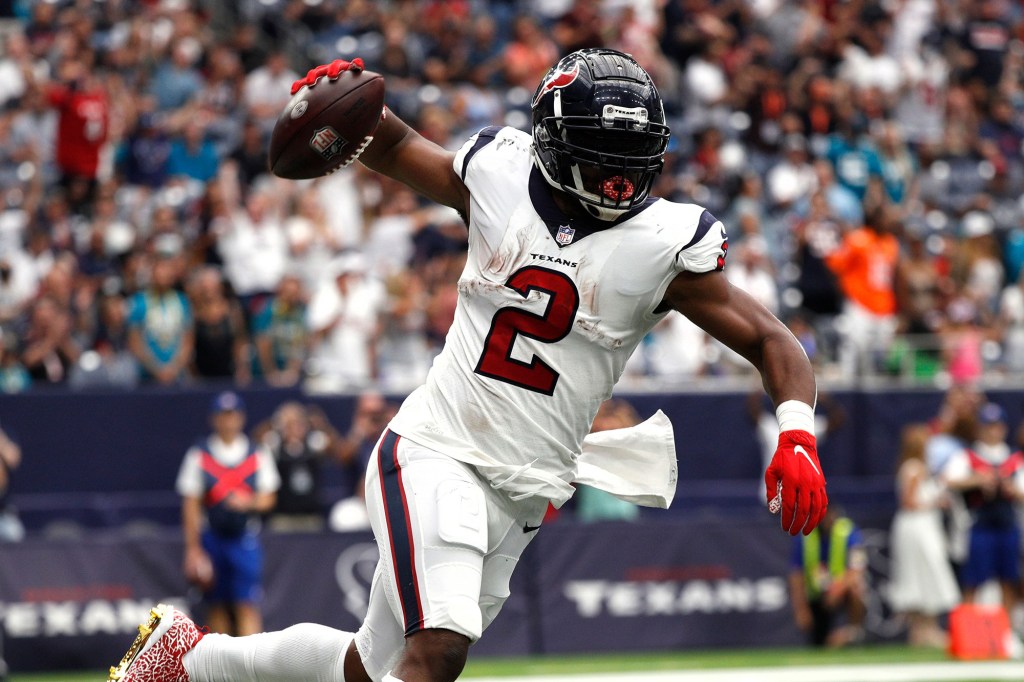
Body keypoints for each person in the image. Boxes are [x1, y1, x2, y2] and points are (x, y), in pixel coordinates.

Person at [109, 48, 827, 682]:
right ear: (553, 144)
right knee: (438, 653)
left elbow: (773, 340)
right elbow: (389, 143)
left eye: (633, 156)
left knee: (370, 666)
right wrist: (347, 102)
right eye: (604, 155)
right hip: (437, 451)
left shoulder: (668, 242)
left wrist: (796, 430)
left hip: (523, 487)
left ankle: (186, 660)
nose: (621, 177)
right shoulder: (500, 174)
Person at [175, 391, 280, 637]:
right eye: (223, 416)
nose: (228, 422)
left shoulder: (256, 453)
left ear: (241, 418)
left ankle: (252, 665)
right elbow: (190, 503)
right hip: (212, 537)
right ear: (214, 419)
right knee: (216, 605)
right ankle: (221, 667)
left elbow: (269, 497)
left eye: (232, 416)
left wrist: (249, 502)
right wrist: (193, 547)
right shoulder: (199, 455)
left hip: (244, 538)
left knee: (247, 603)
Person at [942, 402, 1024, 619]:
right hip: (980, 524)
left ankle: (1005, 631)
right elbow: (948, 480)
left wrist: (1011, 489)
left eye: (996, 426)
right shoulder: (968, 456)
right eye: (988, 426)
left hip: (1007, 524)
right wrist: (978, 480)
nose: (993, 431)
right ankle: (969, 629)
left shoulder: (1014, 459)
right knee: (974, 580)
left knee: (1009, 579)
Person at [887, 423, 960, 648]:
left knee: (927, 572)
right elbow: (909, 502)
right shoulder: (915, 468)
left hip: (922, 526)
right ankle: (922, 630)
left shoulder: (914, 467)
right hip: (917, 528)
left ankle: (925, 629)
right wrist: (936, 502)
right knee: (922, 571)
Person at [254, 401, 343, 532]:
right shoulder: (276, 445)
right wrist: (275, 421)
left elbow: (337, 449)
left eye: (298, 423)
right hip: (283, 518)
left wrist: (321, 424)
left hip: (311, 516)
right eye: (289, 425)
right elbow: (256, 439)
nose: (294, 428)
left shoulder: (314, 443)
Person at [788, 507, 867, 648]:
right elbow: (796, 575)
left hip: (841, 591)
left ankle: (853, 632)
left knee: (857, 588)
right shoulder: (805, 536)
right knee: (819, 643)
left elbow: (857, 569)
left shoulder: (848, 531)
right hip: (816, 596)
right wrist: (801, 609)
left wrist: (837, 589)